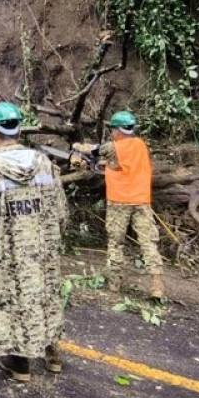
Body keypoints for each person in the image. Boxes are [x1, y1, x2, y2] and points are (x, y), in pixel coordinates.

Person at [0, 102, 67, 382]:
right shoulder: (45, 163)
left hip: (8, 251)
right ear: (19, 130)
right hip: (43, 247)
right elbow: (61, 211)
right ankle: (53, 353)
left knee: (12, 300)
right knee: (45, 295)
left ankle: (19, 364)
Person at [74, 111, 163, 300]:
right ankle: (157, 286)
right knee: (148, 243)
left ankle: (114, 286)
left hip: (119, 202)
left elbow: (92, 150)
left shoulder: (113, 146)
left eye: (113, 130)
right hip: (142, 201)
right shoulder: (140, 145)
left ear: (118, 130)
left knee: (116, 242)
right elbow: (122, 164)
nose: (112, 133)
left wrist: (76, 147)